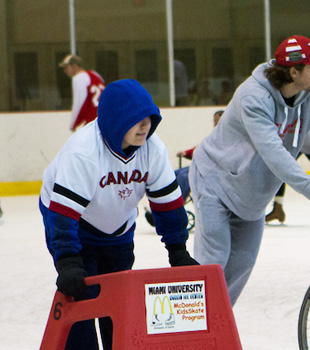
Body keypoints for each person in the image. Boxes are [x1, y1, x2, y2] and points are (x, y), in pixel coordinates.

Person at [189, 35, 310, 305]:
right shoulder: (253, 96)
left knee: (241, 266)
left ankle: (217, 327)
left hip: (252, 196)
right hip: (215, 181)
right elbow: (272, 151)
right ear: (293, 71)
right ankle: (193, 331)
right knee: (214, 260)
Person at [39, 79, 200, 350]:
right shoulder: (83, 152)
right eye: (136, 120)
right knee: (82, 299)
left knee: (119, 300)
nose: (146, 126)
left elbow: (168, 203)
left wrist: (177, 249)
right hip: (72, 223)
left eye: (149, 119)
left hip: (118, 227)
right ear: (115, 121)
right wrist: (67, 260)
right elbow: (63, 215)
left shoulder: (153, 149)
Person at [143, 110, 224, 227]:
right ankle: (163, 206)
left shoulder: (223, 136)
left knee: (185, 176)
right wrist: (186, 153)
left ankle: (176, 206)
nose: (214, 123)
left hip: (213, 170)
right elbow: (202, 148)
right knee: (175, 173)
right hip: (204, 167)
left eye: (216, 120)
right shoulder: (215, 135)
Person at [60, 54, 106, 132]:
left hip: (93, 119)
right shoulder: (95, 75)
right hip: (105, 116)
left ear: (74, 66)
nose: (65, 71)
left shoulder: (79, 78)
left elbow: (79, 101)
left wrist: (74, 124)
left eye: (66, 67)